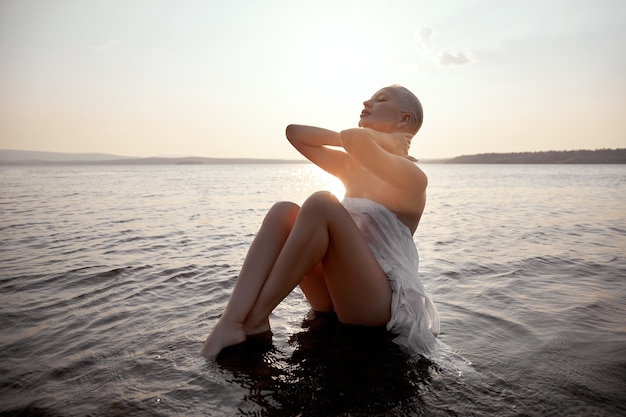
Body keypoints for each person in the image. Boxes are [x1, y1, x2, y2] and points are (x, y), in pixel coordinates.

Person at [200, 85, 440, 359]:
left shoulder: (414, 178)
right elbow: (295, 133)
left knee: (322, 203)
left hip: (380, 302)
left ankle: (256, 317)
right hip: (337, 293)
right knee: (284, 211)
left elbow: (353, 139)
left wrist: (375, 140)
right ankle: (231, 320)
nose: (367, 101)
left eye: (380, 99)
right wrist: (381, 139)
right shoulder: (353, 167)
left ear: (404, 120)